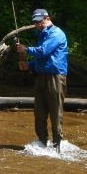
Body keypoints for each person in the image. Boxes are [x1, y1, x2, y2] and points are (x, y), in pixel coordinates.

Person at [16, 8, 68, 151]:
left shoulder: (57, 33)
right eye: (35, 22)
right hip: (41, 76)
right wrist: (28, 65)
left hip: (56, 77)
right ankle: (42, 142)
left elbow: (44, 51)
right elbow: (42, 59)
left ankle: (57, 145)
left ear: (47, 18)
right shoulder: (41, 34)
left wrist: (26, 50)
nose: (37, 24)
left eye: (39, 21)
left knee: (55, 112)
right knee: (39, 112)